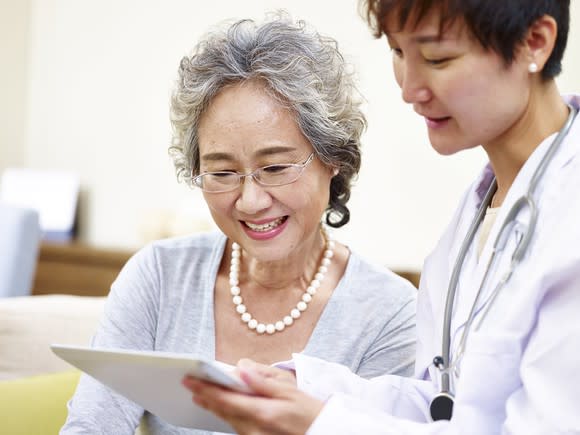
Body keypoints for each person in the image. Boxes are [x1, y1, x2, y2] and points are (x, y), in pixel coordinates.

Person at [182, 1, 580, 434]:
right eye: (398, 52)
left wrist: (323, 425)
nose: (410, 89)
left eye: (436, 59)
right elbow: (445, 404)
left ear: (534, 43)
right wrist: (305, 388)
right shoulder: (476, 216)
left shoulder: (568, 215)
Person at [60, 12, 418, 435]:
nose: (250, 201)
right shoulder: (159, 277)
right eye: (223, 172)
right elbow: (89, 428)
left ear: (333, 159)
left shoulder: (388, 314)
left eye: (276, 167)